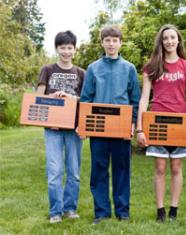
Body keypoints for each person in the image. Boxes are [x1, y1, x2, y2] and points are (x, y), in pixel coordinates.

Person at [136, 24, 186, 223]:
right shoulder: (151, 67)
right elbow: (144, 99)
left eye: (173, 37)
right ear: (161, 42)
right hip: (157, 122)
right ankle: (160, 210)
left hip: (181, 123)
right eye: (166, 38)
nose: (169, 41)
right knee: (160, 168)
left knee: (177, 167)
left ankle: (174, 209)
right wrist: (139, 128)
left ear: (178, 40)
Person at [80, 25, 141, 225]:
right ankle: (101, 212)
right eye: (107, 40)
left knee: (122, 169)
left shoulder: (129, 68)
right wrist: (84, 124)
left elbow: (135, 100)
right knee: (99, 169)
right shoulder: (93, 68)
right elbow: (86, 98)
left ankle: (123, 212)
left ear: (120, 43)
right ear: (102, 43)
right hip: (98, 128)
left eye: (115, 40)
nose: (111, 43)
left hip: (122, 128)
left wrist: (133, 123)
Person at [37, 30, 85, 223]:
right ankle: (55, 211)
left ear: (75, 49)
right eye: (62, 47)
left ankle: (70, 208)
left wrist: (73, 97)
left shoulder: (81, 73)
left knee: (73, 171)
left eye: (69, 48)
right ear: (57, 49)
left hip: (74, 129)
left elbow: (87, 101)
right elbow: (38, 98)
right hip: (53, 130)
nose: (66, 51)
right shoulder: (47, 70)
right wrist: (52, 97)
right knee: (55, 171)